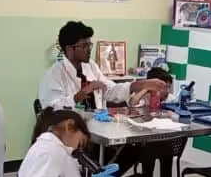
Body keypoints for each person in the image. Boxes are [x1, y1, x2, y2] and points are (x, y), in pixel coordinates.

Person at [38, 20, 166, 110]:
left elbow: (110, 90)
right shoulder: (54, 75)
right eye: (84, 46)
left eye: (90, 45)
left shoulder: (91, 66)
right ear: (70, 49)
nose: (89, 49)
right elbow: (52, 109)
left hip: (97, 128)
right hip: (70, 136)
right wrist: (80, 95)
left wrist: (140, 85)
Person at [132, 67, 178, 177]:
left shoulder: (170, 98)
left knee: (167, 153)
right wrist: (146, 88)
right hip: (144, 139)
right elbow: (132, 103)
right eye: (163, 87)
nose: (167, 92)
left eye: (168, 88)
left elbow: (176, 114)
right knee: (148, 153)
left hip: (163, 138)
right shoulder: (145, 97)